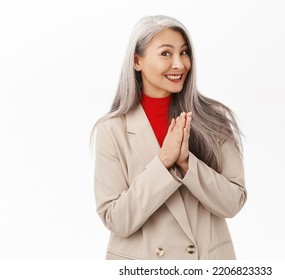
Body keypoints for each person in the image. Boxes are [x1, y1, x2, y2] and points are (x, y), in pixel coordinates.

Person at [92, 15, 247, 260]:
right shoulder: (111, 130)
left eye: (184, 53)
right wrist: (162, 162)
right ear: (137, 60)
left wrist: (187, 164)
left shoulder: (214, 118)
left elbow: (233, 202)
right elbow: (117, 220)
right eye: (166, 53)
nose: (179, 64)